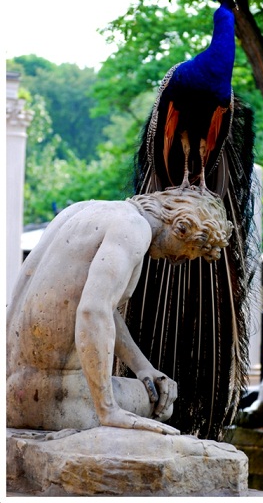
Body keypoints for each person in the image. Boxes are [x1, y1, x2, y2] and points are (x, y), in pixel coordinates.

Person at [7, 187, 233, 436]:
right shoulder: (133, 228)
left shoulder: (85, 209)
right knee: (162, 403)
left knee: (153, 387)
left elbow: (98, 306)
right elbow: (93, 311)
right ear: (181, 226)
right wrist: (107, 409)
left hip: (10, 388)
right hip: (53, 400)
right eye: (187, 251)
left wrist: (143, 367)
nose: (177, 261)